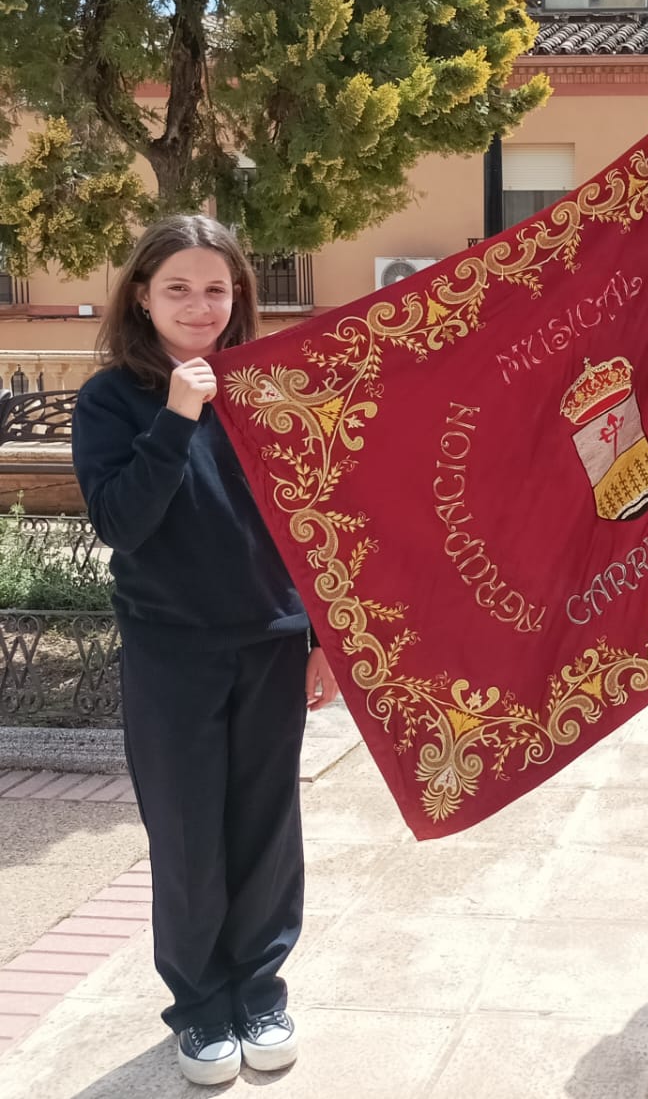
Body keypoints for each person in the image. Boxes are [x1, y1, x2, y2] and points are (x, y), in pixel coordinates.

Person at [72, 215, 337, 1084]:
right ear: (142, 296)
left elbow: (314, 523)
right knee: (187, 834)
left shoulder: (268, 389)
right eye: (177, 287)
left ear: (239, 296)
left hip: (270, 640)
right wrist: (180, 415)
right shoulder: (111, 400)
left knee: (266, 827)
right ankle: (199, 1007)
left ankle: (260, 989)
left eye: (216, 288)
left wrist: (325, 634)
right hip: (171, 654)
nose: (198, 304)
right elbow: (122, 523)